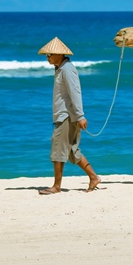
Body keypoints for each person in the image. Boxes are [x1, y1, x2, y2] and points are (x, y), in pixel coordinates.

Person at [38, 37, 101, 194]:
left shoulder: (67, 69)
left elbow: (75, 93)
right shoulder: (60, 69)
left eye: (50, 54)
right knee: (72, 151)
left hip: (67, 116)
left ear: (59, 54)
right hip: (65, 115)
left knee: (57, 150)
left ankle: (56, 186)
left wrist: (80, 116)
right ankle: (94, 177)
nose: (48, 57)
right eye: (46, 55)